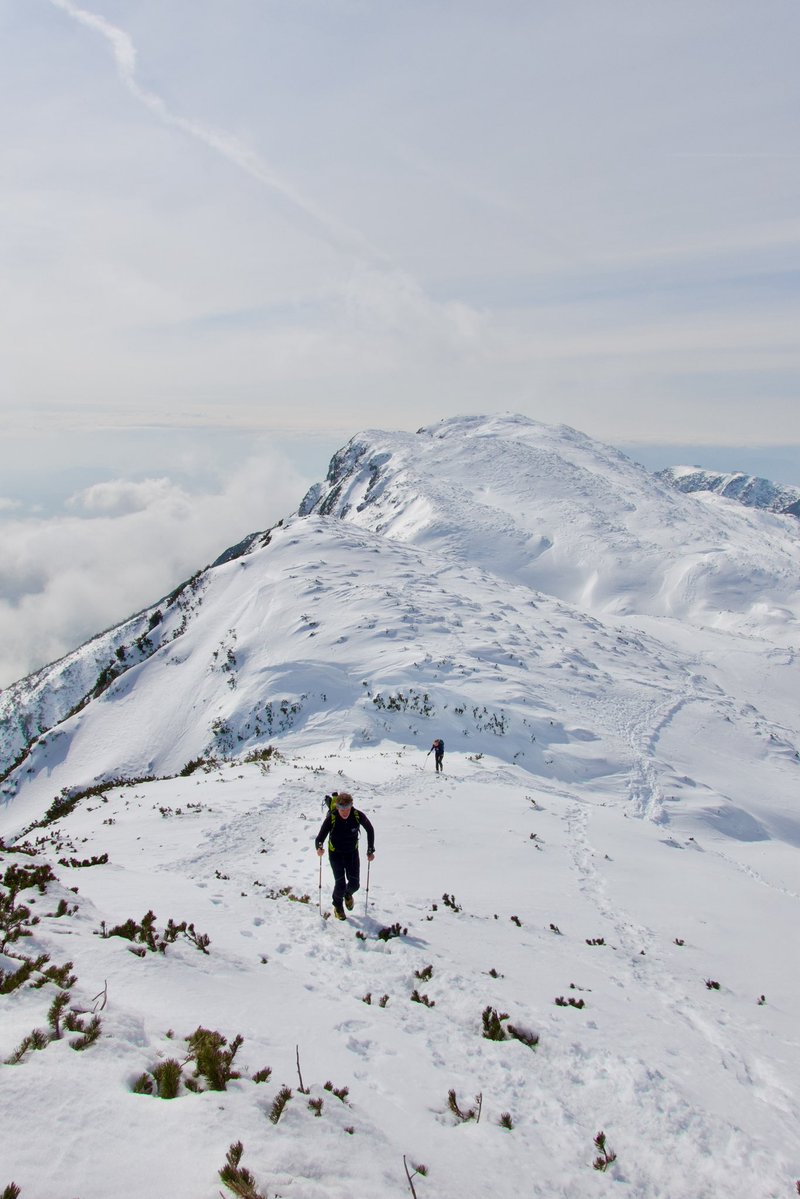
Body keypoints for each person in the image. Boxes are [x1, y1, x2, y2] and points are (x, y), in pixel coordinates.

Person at [315, 792, 375, 920]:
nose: (345, 812)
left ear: (351, 806)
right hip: (336, 854)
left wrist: (370, 849)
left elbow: (370, 829)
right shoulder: (332, 817)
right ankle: (337, 906)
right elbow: (320, 837)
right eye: (342, 809)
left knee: (355, 884)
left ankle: (348, 894)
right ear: (337, 807)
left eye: (347, 808)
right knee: (340, 884)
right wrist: (319, 847)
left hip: (352, 853)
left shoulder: (357, 815)